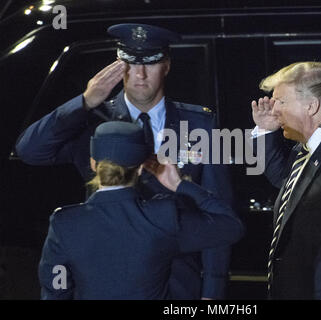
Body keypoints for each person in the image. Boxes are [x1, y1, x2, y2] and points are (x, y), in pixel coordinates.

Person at [16, 24, 234, 299]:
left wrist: (212, 292)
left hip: (177, 283)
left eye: (151, 63)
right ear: (118, 66)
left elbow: (218, 203)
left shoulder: (199, 124)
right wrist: (84, 102)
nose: (140, 75)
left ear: (166, 65)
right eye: (129, 64)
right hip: (107, 278)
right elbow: (30, 151)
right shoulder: (92, 121)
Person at [38, 121, 243, 300]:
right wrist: (180, 185)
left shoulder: (65, 224)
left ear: (93, 163)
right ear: (140, 168)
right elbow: (231, 226)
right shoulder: (162, 216)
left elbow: (57, 287)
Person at [250, 62, 321, 299]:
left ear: (312, 106)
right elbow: (283, 182)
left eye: (281, 102)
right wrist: (264, 131)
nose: (274, 111)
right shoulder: (303, 149)